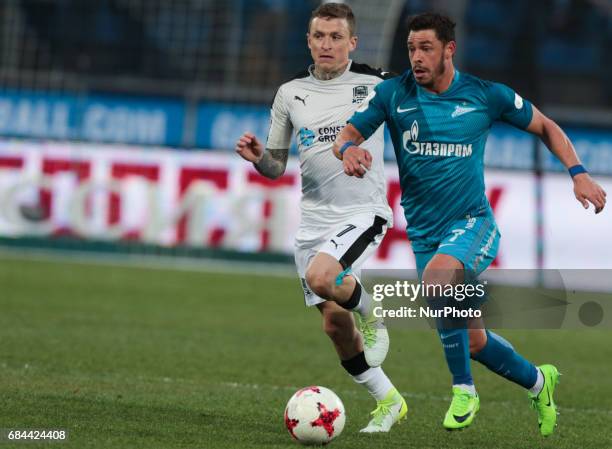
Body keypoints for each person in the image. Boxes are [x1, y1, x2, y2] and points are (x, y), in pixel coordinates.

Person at [333, 12, 606, 435]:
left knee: (439, 283)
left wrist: (578, 173)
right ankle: (539, 381)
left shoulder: (484, 95)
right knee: (474, 340)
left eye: (426, 48)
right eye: (411, 49)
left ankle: (463, 389)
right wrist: (347, 149)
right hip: (425, 234)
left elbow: (546, 126)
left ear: (449, 50)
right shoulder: (393, 95)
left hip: (472, 223)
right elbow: (346, 134)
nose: (417, 58)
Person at [235, 3, 406, 433]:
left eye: (336, 37)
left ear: (353, 42)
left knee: (322, 277)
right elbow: (276, 166)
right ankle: (389, 400)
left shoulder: (378, 84)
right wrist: (260, 160)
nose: (326, 44)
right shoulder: (290, 93)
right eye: (319, 36)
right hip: (314, 222)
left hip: (363, 211)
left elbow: (423, 115)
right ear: (308, 41)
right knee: (334, 323)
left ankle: (375, 312)